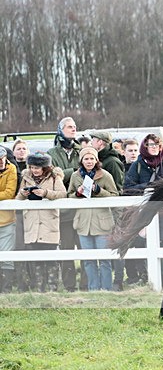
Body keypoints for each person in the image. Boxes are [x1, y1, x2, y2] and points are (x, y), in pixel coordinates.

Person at [123, 134, 163, 282]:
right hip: (145, 216)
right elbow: (127, 188)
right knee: (144, 248)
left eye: (157, 145)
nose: (154, 148)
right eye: (151, 145)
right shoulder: (137, 165)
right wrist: (149, 187)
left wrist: (162, 188)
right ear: (145, 146)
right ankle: (148, 279)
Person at [68, 147, 119, 291]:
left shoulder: (105, 175)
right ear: (81, 160)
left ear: (96, 160)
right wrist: (77, 194)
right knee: (88, 260)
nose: (89, 161)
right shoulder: (75, 176)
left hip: (102, 223)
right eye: (86, 159)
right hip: (83, 223)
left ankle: (106, 289)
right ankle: (93, 289)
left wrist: (98, 191)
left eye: (92, 158)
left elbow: (115, 195)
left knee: (104, 259)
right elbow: (69, 195)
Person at [15, 152, 66, 292]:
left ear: (44, 167)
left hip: (48, 222)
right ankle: (39, 288)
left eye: (37, 167)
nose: (34, 170)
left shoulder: (55, 177)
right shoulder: (26, 178)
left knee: (51, 258)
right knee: (36, 259)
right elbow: (18, 198)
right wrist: (23, 194)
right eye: (32, 167)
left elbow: (62, 193)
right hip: (32, 222)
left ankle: (53, 288)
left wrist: (45, 193)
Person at [47, 116, 81, 292]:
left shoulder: (81, 151)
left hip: (82, 208)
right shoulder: (51, 153)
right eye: (69, 127)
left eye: (74, 126)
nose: (73, 129)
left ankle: (87, 284)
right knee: (66, 248)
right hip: (64, 211)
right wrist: (74, 172)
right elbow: (52, 175)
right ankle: (69, 286)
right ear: (60, 130)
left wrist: (65, 174)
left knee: (84, 249)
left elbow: (89, 170)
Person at [88, 130, 126, 290]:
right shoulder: (101, 160)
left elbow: (118, 188)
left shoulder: (112, 162)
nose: (91, 143)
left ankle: (118, 280)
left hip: (114, 211)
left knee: (115, 245)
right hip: (101, 213)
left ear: (100, 142)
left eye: (93, 140)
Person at [120, 139, 146, 285]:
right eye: (130, 151)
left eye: (136, 150)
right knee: (127, 242)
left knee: (141, 242)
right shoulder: (120, 168)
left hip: (141, 210)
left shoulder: (143, 167)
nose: (133, 153)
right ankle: (131, 275)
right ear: (124, 152)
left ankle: (144, 273)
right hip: (125, 211)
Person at [9, 140, 32, 291]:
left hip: (31, 213)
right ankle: (20, 281)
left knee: (30, 247)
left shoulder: (34, 168)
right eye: (18, 149)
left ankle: (32, 280)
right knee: (18, 246)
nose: (21, 151)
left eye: (24, 148)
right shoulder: (11, 168)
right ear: (13, 152)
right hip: (16, 213)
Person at [0, 147, 17, 292]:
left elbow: (9, 193)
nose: (1, 161)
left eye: (2, 158)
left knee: (7, 255)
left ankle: (6, 289)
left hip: (7, 220)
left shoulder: (11, 169)